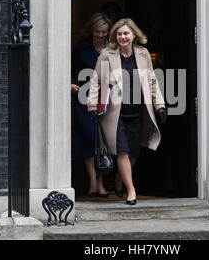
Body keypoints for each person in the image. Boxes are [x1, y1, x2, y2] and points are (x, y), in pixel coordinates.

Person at [87, 18, 167, 205]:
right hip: (116, 113)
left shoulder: (143, 54)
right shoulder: (107, 54)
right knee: (122, 152)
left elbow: (152, 81)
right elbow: (95, 80)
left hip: (137, 111)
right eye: (119, 34)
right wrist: (92, 105)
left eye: (126, 33)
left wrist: (160, 106)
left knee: (133, 154)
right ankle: (132, 191)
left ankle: (119, 178)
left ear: (134, 35)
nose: (122, 37)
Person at [71, 13, 112, 198]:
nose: (101, 35)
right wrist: (70, 83)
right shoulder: (81, 48)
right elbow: (69, 67)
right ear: (91, 30)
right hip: (85, 96)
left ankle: (101, 183)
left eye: (104, 31)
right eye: (98, 32)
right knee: (88, 139)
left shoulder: (113, 47)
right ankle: (93, 181)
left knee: (103, 140)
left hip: (107, 97)